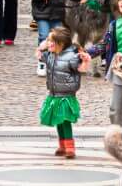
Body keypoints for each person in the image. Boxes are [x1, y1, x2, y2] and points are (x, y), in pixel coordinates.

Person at [38, 25, 88, 159]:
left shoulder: (71, 56)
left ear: (60, 43)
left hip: (66, 95)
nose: (48, 43)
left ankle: (70, 147)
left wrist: (85, 62)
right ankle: (62, 145)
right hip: (54, 94)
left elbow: (81, 69)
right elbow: (38, 54)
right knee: (58, 121)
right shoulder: (50, 55)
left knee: (65, 121)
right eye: (48, 40)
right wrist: (42, 46)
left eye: (51, 41)